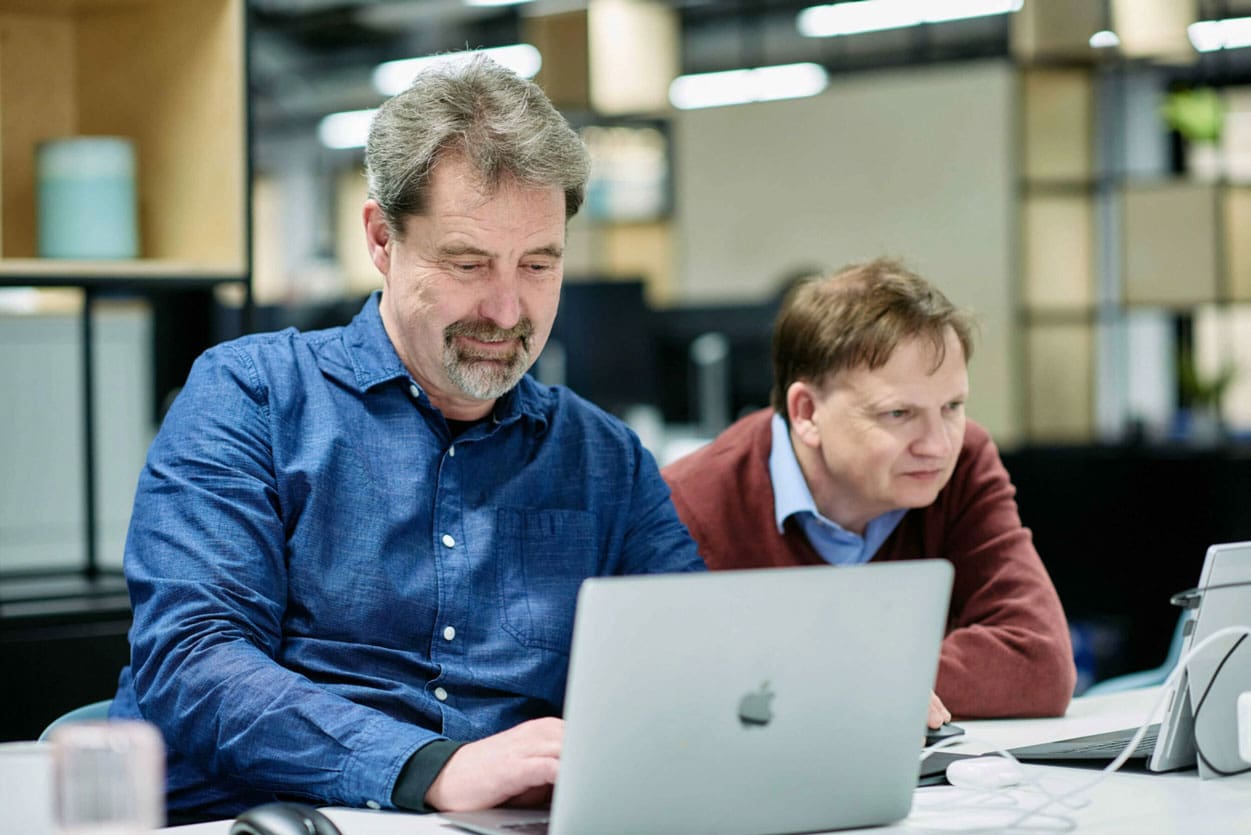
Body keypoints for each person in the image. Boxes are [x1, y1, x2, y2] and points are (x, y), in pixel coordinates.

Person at [110, 56, 703, 822]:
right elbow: (191, 659)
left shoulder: (603, 458)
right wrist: (428, 767)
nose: (504, 307)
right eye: (466, 263)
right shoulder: (251, 396)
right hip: (261, 812)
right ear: (381, 239)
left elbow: (692, 665)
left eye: (537, 265)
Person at [662, 258, 1075, 721]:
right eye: (898, 414)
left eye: (952, 406)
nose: (937, 445)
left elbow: (1039, 662)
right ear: (806, 412)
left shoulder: (964, 462)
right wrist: (866, 685)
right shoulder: (690, 503)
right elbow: (675, 693)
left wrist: (863, 684)